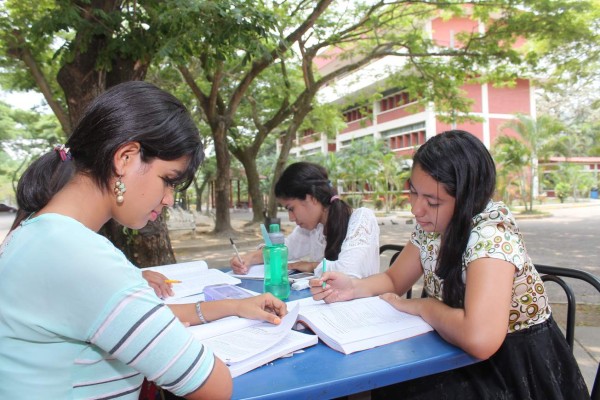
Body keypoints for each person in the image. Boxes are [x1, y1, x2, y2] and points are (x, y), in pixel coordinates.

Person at [0, 81, 287, 400]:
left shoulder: (38, 233)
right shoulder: (80, 256)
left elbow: (125, 319)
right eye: (168, 180)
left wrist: (232, 306)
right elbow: (214, 387)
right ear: (125, 157)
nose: (167, 200)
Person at [310, 130, 589, 399]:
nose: (416, 209)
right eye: (413, 193)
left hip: (513, 369)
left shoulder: (490, 237)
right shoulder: (431, 224)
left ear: (468, 199)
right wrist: (353, 286)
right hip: (453, 349)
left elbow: (480, 339)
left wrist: (424, 306)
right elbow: (395, 280)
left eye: (432, 201)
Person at [230, 161, 380, 279]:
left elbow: (349, 272)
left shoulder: (362, 218)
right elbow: (284, 249)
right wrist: (248, 258)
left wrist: (309, 266)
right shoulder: (314, 228)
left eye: (291, 208)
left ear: (311, 198)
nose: (291, 218)